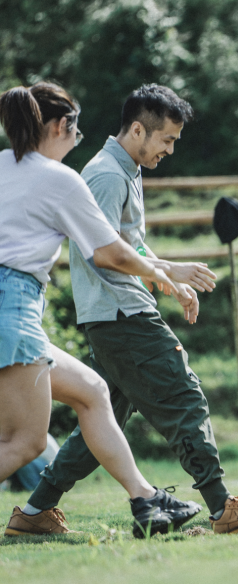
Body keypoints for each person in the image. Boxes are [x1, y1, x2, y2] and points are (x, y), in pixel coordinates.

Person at [11, 84, 238, 537]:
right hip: (121, 314)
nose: (170, 150)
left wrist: (168, 277)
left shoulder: (127, 170)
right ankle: (222, 508)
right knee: (183, 396)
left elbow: (128, 245)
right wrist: (167, 274)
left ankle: (35, 512)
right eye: (166, 139)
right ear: (138, 130)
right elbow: (102, 253)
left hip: (117, 313)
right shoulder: (105, 175)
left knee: (102, 420)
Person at [0, 82, 201, 538]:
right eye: (76, 131)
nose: (78, 140)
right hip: (13, 307)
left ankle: (145, 499)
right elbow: (109, 252)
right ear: (59, 126)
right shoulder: (59, 178)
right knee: (25, 442)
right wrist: (164, 277)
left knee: (92, 391)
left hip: (15, 311)